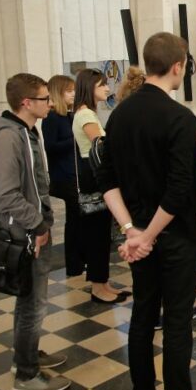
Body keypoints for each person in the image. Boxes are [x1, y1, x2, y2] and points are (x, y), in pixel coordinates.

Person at [98, 32, 196, 390]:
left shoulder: (119, 114)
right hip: (173, 237)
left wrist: (130, 230)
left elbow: (107, 180)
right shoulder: (179, 117)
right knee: (177, 322)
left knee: (143, 315)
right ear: (177, 66)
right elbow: (180, 188)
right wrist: (147, 236)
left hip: (140, 238)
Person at [0, 73, 70, 390]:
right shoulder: (9, 137)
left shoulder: (28, 131)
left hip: (31, 229)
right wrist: (38, 224)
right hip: (24, 233)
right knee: (34, 303)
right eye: (45, 98)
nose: (50, 103)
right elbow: (3, 194)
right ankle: (27, 375)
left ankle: (27, 354)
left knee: (29, 298)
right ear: (26, 103)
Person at [72, 69, 128, 303]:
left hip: (94, 173)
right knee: (96, 234)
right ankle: (98, 288)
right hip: (93, 176)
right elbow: (100, 145)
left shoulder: (87, 114)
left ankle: (103, 283)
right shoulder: (85, 115)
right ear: (89, 88)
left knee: (101, 233)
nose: (107, 88)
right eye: (102, 85)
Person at [42, 75, 84, 276]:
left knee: (79, 219)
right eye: (69, 91)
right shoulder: (52, 118)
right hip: (64, 176)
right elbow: (50, 147)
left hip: (74, 173)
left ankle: (80, 259)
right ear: (58, 93)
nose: (73, 94)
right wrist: (75, 140)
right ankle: (74, 263)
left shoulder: (69, 115)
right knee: (74, 221)